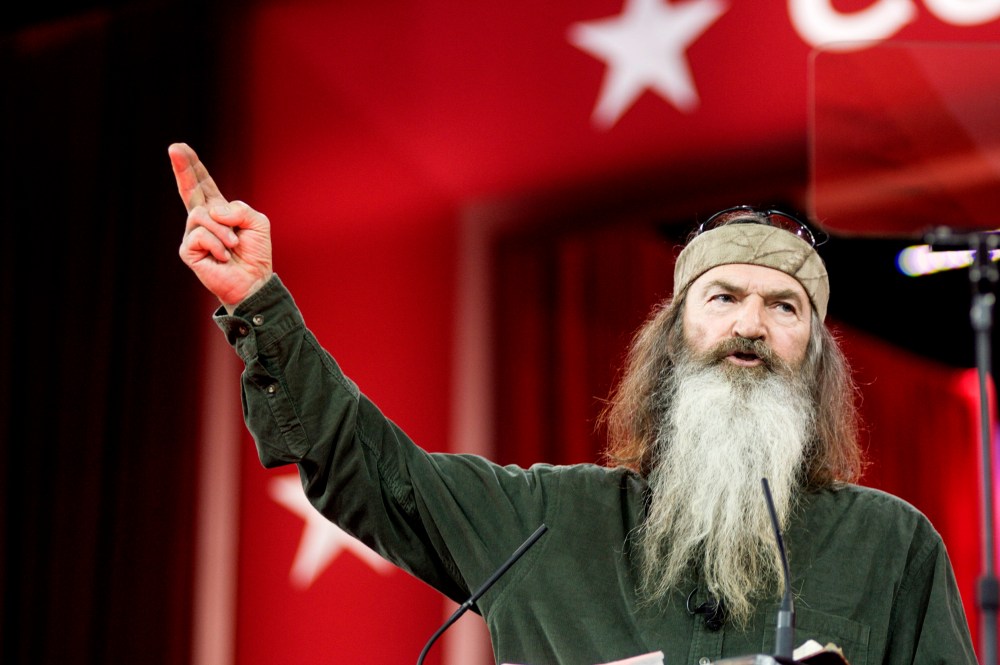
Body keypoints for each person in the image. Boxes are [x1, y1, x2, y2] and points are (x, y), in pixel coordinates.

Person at [169, 142, 976, 665]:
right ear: (672, 340)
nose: (751, 325)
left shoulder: (891, 544)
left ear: (819, 359)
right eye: (724, 296)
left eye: (784, 307)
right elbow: (372, 471)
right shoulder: (543, 521)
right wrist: (260, 304)